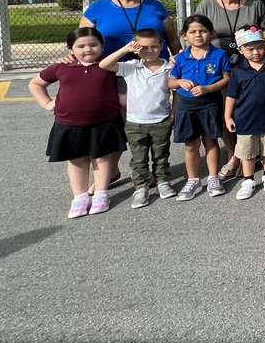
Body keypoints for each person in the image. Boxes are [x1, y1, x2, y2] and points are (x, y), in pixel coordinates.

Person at [29, 27, 126, 219]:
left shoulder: (109, 65)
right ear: (70, 49)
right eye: (81, 46)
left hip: (105, 121)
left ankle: (101, 194)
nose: (88, 49)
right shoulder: (61, 67)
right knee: (77, 160)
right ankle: (80, 197)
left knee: (103, 158)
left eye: (93, 45)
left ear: (102, 46)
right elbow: (36, 83)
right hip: (69, 123)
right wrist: (47, 103)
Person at [195, 0, 265, 180]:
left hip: (248, 63)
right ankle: (234, 155)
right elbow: (194, 32)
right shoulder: (207, 5)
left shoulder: (255, 5)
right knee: (224, 109)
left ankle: (251, 152)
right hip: (216, 63)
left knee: (245, 108)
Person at [99, 28, 174, 208]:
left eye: (154, 47)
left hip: (161, 120)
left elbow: (176, 90)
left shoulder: (169, 67)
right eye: (143, 47)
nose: (149, 51)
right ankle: (141, 186)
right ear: (135, 48)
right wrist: (125, 49)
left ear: (161, 46)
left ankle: (162, 180)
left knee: (161, 154)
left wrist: (174, 113)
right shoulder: (131, 66)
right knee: (139, 157)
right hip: (135, 122)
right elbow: (103, 64)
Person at [168, 14, 231, 201]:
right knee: (190, 144)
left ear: (212, 34)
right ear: (184, 35)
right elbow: (170, 82)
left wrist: (208, 88)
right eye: (193, 32)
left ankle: (213, 178)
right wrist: (180, 81)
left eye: (203, 31)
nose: (198, 35)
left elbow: (226, 78)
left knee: (211, 141)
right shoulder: (180, 58)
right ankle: (193, 180)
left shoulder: (219, 55)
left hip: (210, 103)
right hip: (186, 105)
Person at [223, 27, 265, 198]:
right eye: (249, 49)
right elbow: (231, 96)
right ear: (240, 50)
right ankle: (248, 179)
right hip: (245, 119)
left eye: (260, 47)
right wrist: (228, 116)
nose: (256, 52)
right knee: (246, 152)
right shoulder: (238, 71)